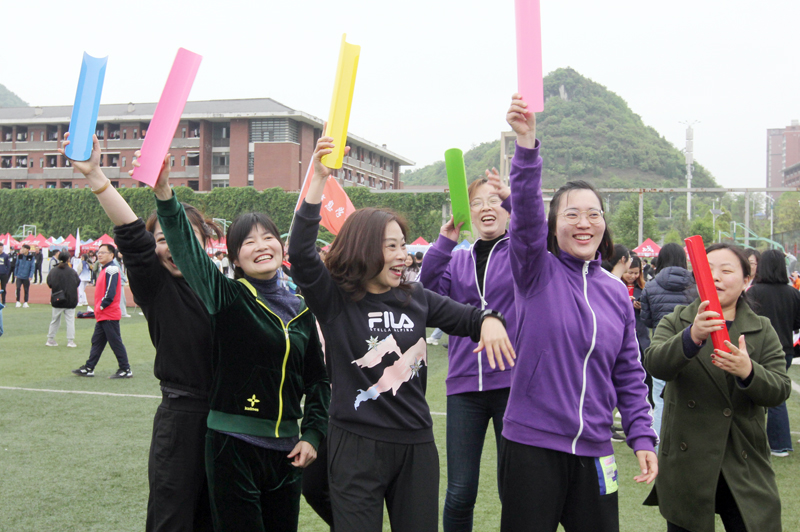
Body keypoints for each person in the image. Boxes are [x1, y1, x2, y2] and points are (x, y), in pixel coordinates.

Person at [288, 135, 515, 532]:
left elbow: (468, 317)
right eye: (390, 246)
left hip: (415, 447)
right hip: (355, 444)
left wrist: (490, 320)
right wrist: (318, 181)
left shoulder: (415, 298)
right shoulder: (336, 299)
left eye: (402, 246)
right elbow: (301, 254)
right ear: (363, 248)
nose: (402, 256)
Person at [498, 94, 657, 532]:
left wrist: (642, 436)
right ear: (553, 226)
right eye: (572, 214)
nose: (584, 223)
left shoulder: (615, 292)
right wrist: (526, 145)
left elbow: (628, 372)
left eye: (594, 214)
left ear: (604, 224)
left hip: (596, 449)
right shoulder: (535, 270)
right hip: (532, 445)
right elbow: (525, 216)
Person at [150, 150, 330, 532]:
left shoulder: (301, 310)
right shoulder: (228, 297)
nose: (261, 245)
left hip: (288, 452)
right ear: (235, 258)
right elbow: (188, 252)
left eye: (268, 237)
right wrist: (165, 193)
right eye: (248, 242)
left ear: (281, 247)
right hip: (232, 447)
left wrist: (313, 434)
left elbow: (318, 380)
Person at [61, 133, 219, 531]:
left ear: (205, 244)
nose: (174, 247)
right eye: (163, 239)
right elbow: (132, 232)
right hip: (182, 422)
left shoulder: (225, 292)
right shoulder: (158, 287)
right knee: (173, 521)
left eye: (185, 238)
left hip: (230, 423)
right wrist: (96, 176)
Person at [643, 243, 790, 532]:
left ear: (746, 280)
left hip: (742, 457)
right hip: (688, 461)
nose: (715, 277)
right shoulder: (677, 320)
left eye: (726, 270)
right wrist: (691, 337)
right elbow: (655, 364)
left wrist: (748, 371)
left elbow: (779, 390)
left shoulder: (761, 328)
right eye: (707, 270)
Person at [419, 167, 519, 532]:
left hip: (512, 384)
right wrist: (444, 243)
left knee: (514, 490)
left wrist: (513, 198)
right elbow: (426, 295)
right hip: (464, 387)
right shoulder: (458, 259)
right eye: (477, 202)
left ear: (507, 210)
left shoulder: (522, 254)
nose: (486, 207)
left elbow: (535, 232)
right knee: (460, 492)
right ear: (469, 213)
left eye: (494, 200)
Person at [639, 243, 697, 442]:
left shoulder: (651, 286)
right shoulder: (696, 285)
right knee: (693, 401)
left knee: (660, 402)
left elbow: (646, 320)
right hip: (693, 348)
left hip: (662, 348)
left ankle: (658, 448)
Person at [747, 249, 800, 457]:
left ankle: (756, 441)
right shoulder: (793, 293)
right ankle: (780, 444)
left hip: (758, 348)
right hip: (785, 349)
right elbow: (797, 324)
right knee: (777, 395)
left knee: (753, 394)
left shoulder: (754, 292)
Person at [71, 243, 132, 379]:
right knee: (97, 342)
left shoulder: (112, 269)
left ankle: (125, 369)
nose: (99, 254)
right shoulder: (105, 269)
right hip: (103, 314)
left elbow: (110, 293)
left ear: (111, 255)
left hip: (109, 314)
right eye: (99, 252)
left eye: (103, 252)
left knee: (115, 342)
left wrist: (102, 306)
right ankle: (89, 367)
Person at [46, 250, 80, 348]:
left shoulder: (54, 270)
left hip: (57, 298)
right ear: (68, 259)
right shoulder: (72, 271)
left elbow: (49, 283)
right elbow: (77, 282)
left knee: (55, 320)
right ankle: (70, 341)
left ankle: (50, 339)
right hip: (70, 299)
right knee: (70, 321)